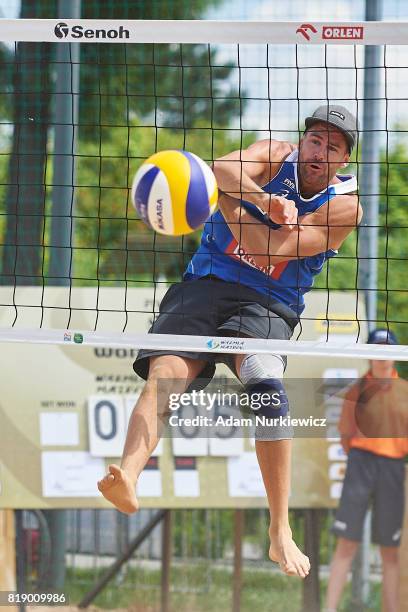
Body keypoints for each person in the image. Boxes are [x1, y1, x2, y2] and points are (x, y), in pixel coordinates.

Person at [98, 104, 362, 579]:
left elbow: (267, 248)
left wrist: (227, 200)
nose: (320, 152)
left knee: (267, 389)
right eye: (316, 140)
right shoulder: (274, 154)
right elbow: (219, 168)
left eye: (334, 147)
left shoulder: (345, 205)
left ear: (344, 161)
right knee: (166, 377)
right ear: (303, 142)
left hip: (268, 302)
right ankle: (129, 478)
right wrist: (260, 201)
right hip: (206, 284)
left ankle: (279, 530)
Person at [325, 329, 408, 612]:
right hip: (361, 464)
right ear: (369, 355)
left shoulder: (405, 391)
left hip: (395, 469)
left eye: (387, 350)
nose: (381, 357)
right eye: (377, 350)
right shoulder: (357, 390)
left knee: (390, 551)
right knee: (346, 544)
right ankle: (329, 608)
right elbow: (346, 436)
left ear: (395, 355)